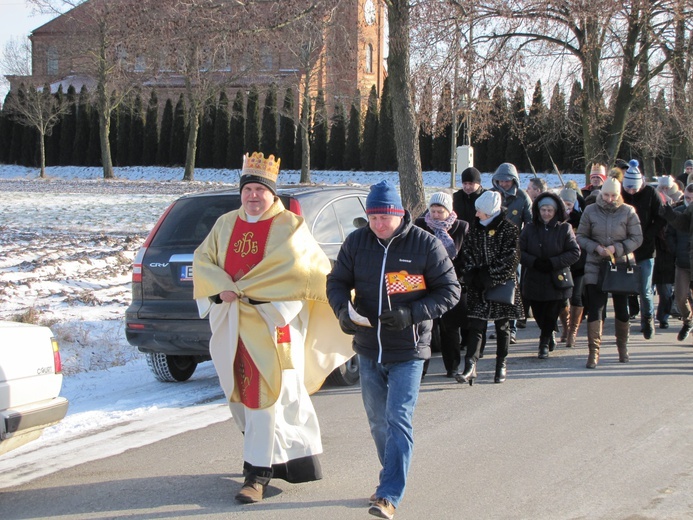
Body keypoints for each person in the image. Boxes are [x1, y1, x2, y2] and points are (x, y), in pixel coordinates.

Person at [192, 152, 353, 504]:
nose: (252, 196)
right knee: (242, 395)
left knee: (267, 396)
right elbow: (203, 261)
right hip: (233, 325)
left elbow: (306, 276)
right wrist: (221, 288)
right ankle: (284, 461)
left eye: (259, 190)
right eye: (247, 189)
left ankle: (257, 475)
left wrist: (275, 310)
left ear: (272, 193)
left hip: (271, 326)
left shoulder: (290, 228)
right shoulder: (225, 225)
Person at [326, 180, 460, 520]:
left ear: (400, 213)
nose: (378, 224)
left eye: (384, 217)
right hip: (369, 348)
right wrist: (342, 310)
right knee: (377, 422)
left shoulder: (425, 245)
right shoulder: (357, 242)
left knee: (398, 418)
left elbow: (450, 291)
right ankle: (390, 477)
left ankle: (388, 495)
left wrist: (411, 314)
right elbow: (336, 282)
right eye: (372, 217)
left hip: (409, 349)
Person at [456, 191, 524, 384]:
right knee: (476, 324)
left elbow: (510, 260)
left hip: (501, 286)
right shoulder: (475, 230)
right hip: (478, 285)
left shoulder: (509, 230)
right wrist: (471, 275)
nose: (476, 214)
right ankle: (470, 364)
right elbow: (466, 253)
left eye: (480, 211)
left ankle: (501, 364)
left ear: (491, 212)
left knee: (502, 327)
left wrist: (488, 277)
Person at [576, 177, 643, 368]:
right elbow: (580, 236)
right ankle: (593, 352)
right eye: (606, 194)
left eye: (613, 195)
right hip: (595, 265)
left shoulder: (628, 211)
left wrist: (617, 248)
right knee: (596, 307)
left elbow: (637, 238)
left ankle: (622, 347)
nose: (609, 198)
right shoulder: (590, 210)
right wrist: (596, 247)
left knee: (622, 309)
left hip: (620, 265)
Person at [415, 191, 469, 377]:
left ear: (449, 211)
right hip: (426, 285)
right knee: (426, 328)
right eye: (433, 210)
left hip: (450, 284)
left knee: (450, 328)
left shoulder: (461, 227)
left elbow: (465, 258)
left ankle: (452, 367)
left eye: (440, 211)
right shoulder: (421, 225)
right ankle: (421, 369)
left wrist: (454, 276)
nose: (436, 215)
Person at [520, 192, 580, 358]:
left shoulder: (564, 228)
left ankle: (544, 342)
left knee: (552, 311)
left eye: (550, 210)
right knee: (539, 312)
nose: (546, 213)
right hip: (534, 276)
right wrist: (534, 262)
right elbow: (519, 251)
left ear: (555, 211)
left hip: (556, 278)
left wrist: (554, 262)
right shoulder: (530, 228)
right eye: (543, 210)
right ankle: (548, 332)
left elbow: (574, 252)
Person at [620, 159, 666, 339]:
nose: (631, 191)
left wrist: (648, 235)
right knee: (623, 287)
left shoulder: (650, 193)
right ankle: (623, 322)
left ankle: (647, 320)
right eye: (628, 188)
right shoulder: (621, 193)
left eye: (634, 188)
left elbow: (661, 217)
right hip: (624, 248)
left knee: (645, 289)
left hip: (646, 248)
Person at [490, 162, 531, 343]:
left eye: (507, 181)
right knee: (495, 289)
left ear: (514, 180)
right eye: (500, 180)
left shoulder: (522, 198)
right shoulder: (491, 195)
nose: (503, 184)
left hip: (514, 250)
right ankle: (499, 326)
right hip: (492, 249)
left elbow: (530, 224)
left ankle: (511, 328)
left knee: (512, 289)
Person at [560, 187, 588, 348]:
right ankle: (565, 327)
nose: (567, 207)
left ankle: (573, 332)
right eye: (564, 203)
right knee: (562, 299)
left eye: (569, 204)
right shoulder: (557, 218)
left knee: (576, 297)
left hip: (580, 265)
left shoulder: (581, 218)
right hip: (563, 265)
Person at [665, 184, 693, 340]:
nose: (690, 202)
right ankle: (688, 320)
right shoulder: (679, 212)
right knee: (681, 296)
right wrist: (675, 250)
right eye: (687, 198)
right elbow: (669, 233)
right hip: (682, 261)